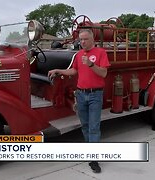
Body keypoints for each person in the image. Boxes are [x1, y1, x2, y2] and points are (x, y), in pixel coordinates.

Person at [48, 29, 110, 173]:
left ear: (92, 39)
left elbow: (104, 73)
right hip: (81, 94)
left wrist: (90, 64)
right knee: (85, 125)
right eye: (80, 40)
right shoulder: (79, 54)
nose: (82, 42)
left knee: (94, 127)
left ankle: (93, 159)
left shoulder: (101, 53)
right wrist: (59, 70)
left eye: (85, 39)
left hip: (95, 95)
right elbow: (74, 71)